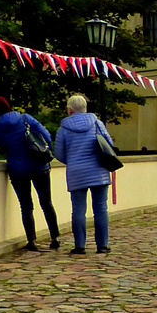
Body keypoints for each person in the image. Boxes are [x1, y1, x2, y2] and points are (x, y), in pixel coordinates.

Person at [0, 97, 60, 252]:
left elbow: (3, 145)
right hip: (39, 165)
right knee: (46, 202)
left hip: (18, 169)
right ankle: (55, 237)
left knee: (26, 205)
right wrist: (47, 148)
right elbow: (45, 134)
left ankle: (31, 240)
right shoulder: (25, 118)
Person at [52, 93, 115, 255]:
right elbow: (109, 144)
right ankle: (102, 245)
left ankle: (80, 245)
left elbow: (58, 153)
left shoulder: (63, 129)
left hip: (76, 173)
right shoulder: (97, 124)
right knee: (100, 208)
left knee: (78, 209)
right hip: (99, 171)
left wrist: (73, 160)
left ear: (69, 110)